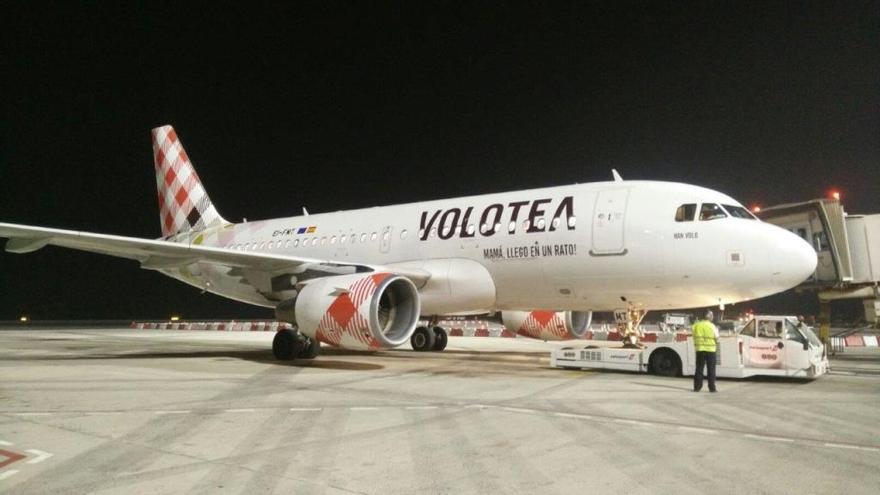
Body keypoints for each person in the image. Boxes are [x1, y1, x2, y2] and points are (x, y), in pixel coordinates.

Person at [692, 310, 719, 392]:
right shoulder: (712, 326)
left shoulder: (696, 325)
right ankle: (712, 388)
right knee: (711, 369)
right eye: (712, 315)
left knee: (699, 369)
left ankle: (697, 387)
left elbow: (693, 335)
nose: (713, 317)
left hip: (700, 349)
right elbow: (717, 337)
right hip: (711, 350)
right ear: (708, 316)